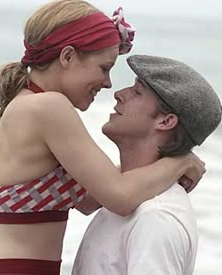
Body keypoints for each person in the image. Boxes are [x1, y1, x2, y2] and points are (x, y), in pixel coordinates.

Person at [0, 0, 205, 274]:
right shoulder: (48, 107)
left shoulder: (30, 103)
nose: (108, 83)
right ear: (67, 57)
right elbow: (121, 197)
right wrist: (181, 162)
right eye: (104, 68)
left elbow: (90, 200)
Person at [72, 54, 222, 275]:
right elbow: (80, 198)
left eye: (137, 92)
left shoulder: (156, 217)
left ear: (166, 121)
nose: (119, 94)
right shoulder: (124, 195)